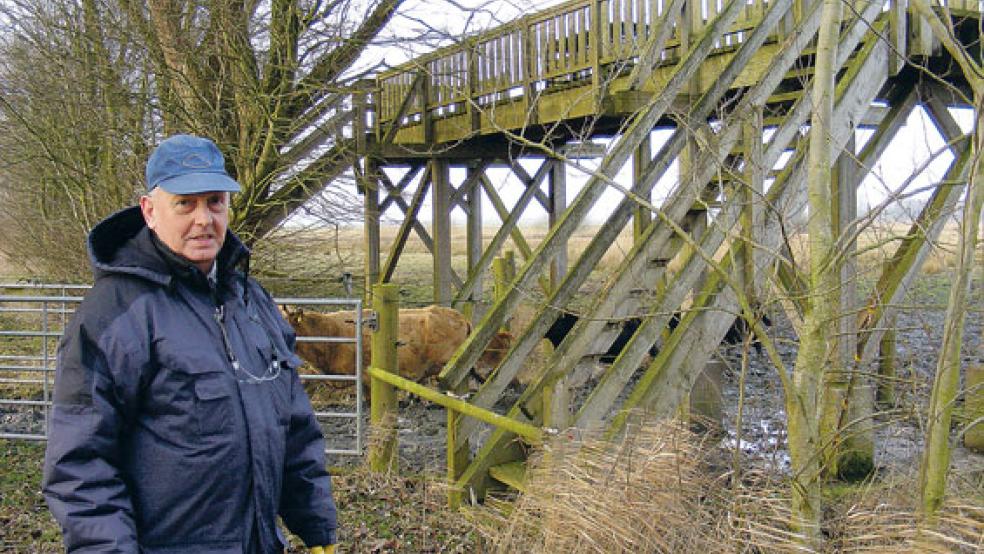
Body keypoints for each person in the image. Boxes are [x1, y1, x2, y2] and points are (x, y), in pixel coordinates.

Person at [42, 134, 338, 553]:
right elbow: (80, 465)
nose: (204, 219)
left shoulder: (252, 303)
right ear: (150, 210)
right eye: (185, 203)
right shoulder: (114, 316)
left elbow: (295, 430)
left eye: (215, 202)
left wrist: (317, 526)